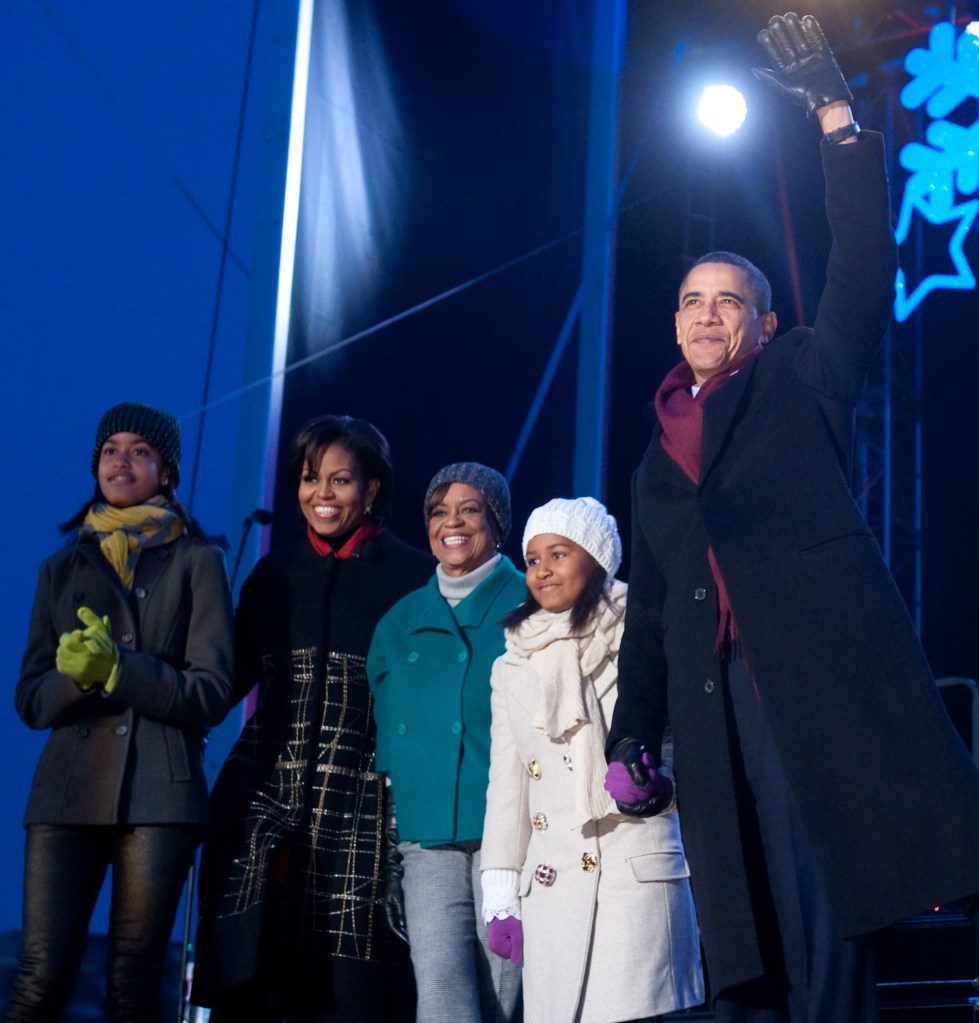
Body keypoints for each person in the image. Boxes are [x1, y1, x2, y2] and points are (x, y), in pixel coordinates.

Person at [606, 14, 979, 1023]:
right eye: (690, 298)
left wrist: (834, 119)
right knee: (743, 949)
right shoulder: (654, 456)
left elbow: (859, 260)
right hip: (705, 700)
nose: (705, 314)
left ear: (764, 324)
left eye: (729, 301)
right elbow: (647, 609)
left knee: (822, 929)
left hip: (804, 695)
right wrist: (630, 725)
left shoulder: (802, 377)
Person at [192, 414, 433, 1023]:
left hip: (363, 817)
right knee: (252, 990)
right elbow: (219, 686)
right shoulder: (274, 574)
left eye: (340, 480)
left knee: (354, 998)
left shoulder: (414, 579)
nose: (320, 495)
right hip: (262, 812)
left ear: (372, 488)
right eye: (309, 479)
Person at [7, 402, 236, 1022]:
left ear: (165, 471)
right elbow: (30, 699)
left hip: (159, 795)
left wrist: (119, 671)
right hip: (67, 793)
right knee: (38, 980)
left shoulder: (199, 560)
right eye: (111, 448)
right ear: (95, 464)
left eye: (140, 450)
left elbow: (213, 690)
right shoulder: (60, 569)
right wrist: (75, 679)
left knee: (133, 985)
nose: (122, 460)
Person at [481, 497, 704, 1023]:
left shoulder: (642, 637)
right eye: (533, 559)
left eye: (558, 553)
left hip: (632, 870)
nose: (542, 569)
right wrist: (500, 893)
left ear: (597, 559)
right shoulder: (512, 663)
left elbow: (682, 740)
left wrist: (657, 783)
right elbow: (507, 785)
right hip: (553, 881)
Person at [367, 462, 526, 1023]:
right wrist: (390, 852)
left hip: (513, 835)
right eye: (438, 512)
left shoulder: (534, 604)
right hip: (426, 836)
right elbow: (389, 747)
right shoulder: (399, 622)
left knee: (508, 998)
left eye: (469, 509)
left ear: (497, 522)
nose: (451, 523)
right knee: (440, 998)